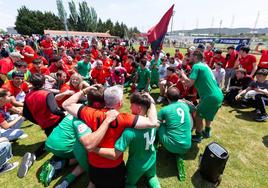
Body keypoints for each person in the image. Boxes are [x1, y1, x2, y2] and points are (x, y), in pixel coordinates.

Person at [63, 85, 158, 188]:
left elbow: (66, 104)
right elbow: (152, 122)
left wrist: (84, 91)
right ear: (120, 103)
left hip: (94, 166)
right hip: (114, 168)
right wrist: (152, 103)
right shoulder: (125, 119)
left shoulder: (90, 113)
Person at [93, 92, 161, 188]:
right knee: (152, 177)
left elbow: (115, 154)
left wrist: (94, 149)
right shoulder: (154, 123)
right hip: (152, 160)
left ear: (139, 108)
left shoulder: (129, 131)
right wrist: (152, 103)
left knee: (129, 184)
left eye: (132, 106)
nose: (129, 108)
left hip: (136, 166)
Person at [19, 73, 65, 178]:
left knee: (51, 140)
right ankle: (38, 156)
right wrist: (63, 114)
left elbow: (25, 113)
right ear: (44, 82)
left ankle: (33, 156)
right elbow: (54, 110)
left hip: (44, 123)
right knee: (58, 142)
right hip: (56, 120)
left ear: (31, 83)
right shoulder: (46, 93)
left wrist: (37, 121)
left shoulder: (28, 96)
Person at [180, 51, 223, 143]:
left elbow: (189, 84)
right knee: (209, 114)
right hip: (218, 95)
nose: (188, 58)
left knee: (198, 116)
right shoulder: (205, 66)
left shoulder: (196, 66)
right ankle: (207, 132)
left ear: (195, 57)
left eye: (190, 56)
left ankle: (198, 135)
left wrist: (183, 75)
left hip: (209, 96)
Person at [157, 87, 194, 181]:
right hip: (187, 145)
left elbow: (156, 123)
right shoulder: (185, 106)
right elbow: (193, 108)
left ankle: (154, 144)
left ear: (167, 97)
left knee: (159, 124)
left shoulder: (165, 110)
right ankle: (179, 153)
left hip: (171, 146)